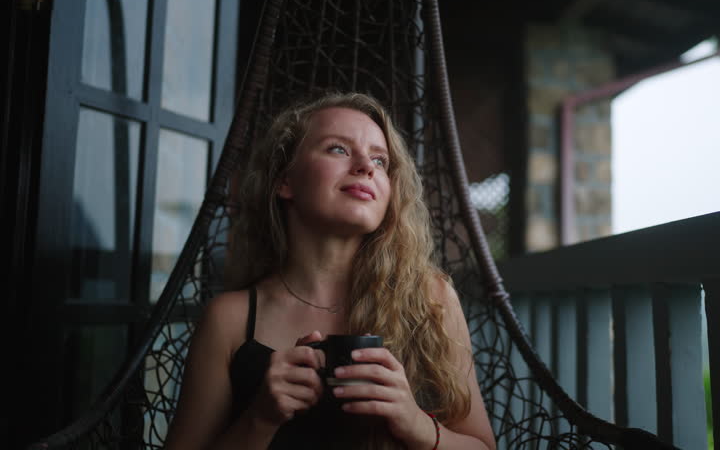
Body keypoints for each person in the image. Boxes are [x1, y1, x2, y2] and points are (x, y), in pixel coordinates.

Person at [165, 92, 496, 449]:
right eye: (338, 149)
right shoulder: (228, 319)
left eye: (380, 161)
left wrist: (414, 423)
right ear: (284, 180)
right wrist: (259, 420)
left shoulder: (432, 299)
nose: (366, 166)